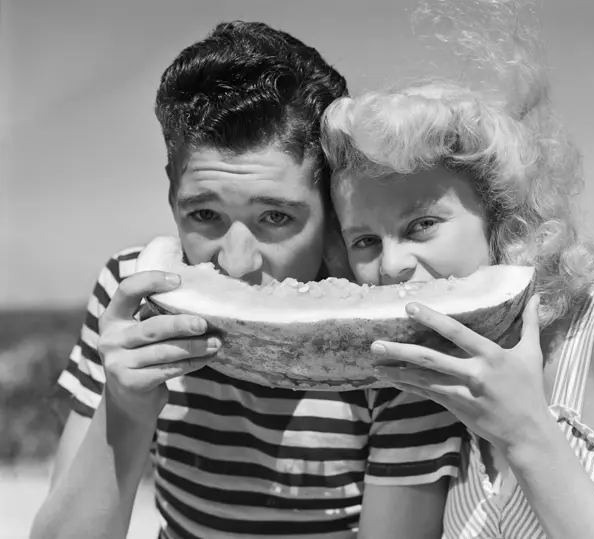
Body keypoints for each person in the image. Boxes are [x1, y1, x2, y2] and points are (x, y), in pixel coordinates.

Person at [30, 21, 463, 539]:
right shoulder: (132, 290)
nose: (235, 264)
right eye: (205, 215)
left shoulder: (388, 323)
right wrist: (125, 409)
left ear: (331, 206)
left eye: (275, 217)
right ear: (172, 193)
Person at [319, 20, 594, 539]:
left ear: (502, 216)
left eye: (421, 225)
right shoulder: (423, 385)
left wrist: (525, 433)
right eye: (365, 241)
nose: (392, 265)